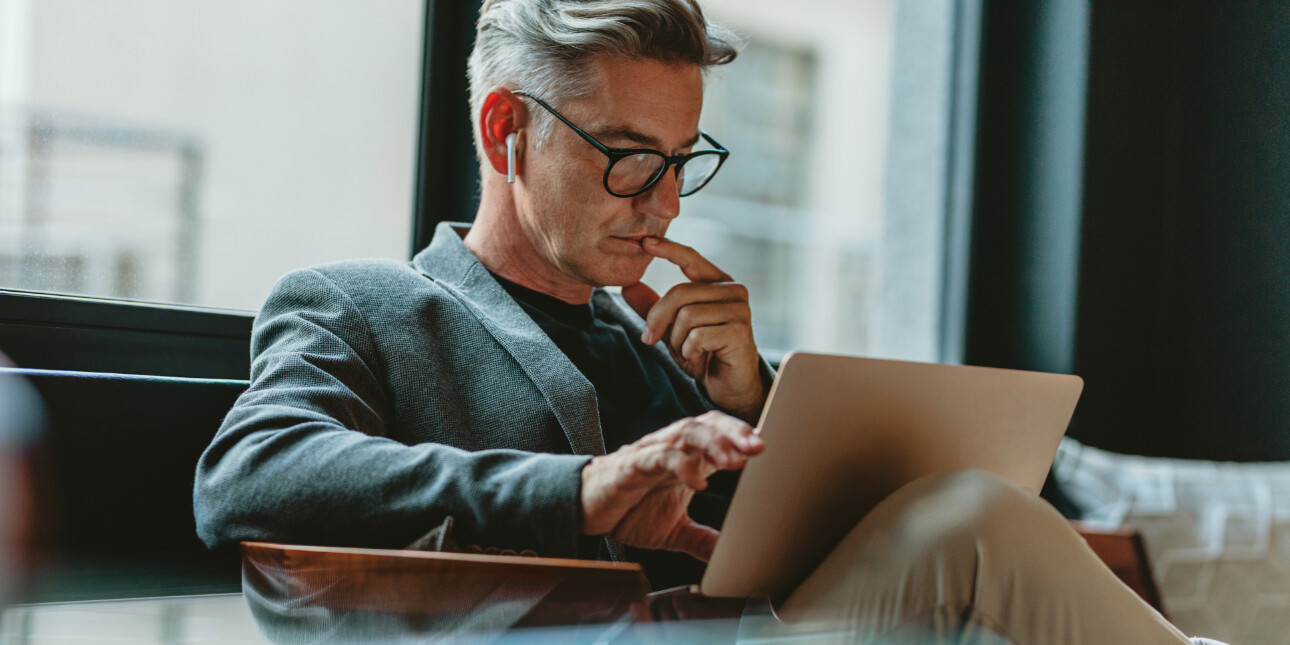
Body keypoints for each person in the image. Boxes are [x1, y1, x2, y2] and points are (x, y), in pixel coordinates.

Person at [194, 1, 1216, 642]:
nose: (667, 203)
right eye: (631, 154)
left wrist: (762, 401)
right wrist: (581, 491)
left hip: (750, 632)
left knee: (971, 519)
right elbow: (251, 473)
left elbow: (834, 558)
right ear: (506, 129)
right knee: (977, 526)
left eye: (683, 160)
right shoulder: (361, 307)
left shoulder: (668, 344)